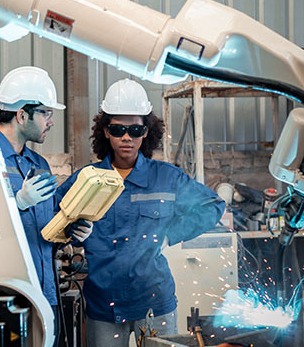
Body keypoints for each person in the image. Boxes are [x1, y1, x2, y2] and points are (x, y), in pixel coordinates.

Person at [54, 78, 225, 346]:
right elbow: (50, 222)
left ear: (146, 132)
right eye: (118, 129)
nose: (126, 137)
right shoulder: (86, 181)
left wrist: (170, 235)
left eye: (135, 129)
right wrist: (70, 231)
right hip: (104, 307)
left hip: (154, 303)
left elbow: (213, 206)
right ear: (106, 131)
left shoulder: (166, 178)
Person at [0, 66, 90, 344]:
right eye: (46, 113)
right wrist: (18, 203)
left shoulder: (39, 165)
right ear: (22, 115)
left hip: (46, 294)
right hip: (5, 297)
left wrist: (71, 231)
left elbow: (45, 228)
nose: (51, 121)